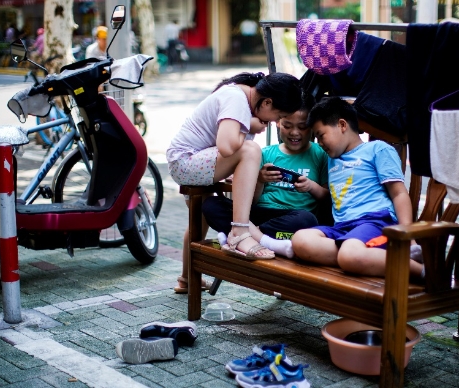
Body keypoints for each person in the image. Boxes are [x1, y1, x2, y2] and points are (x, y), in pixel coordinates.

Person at [167, 71, 302, 293]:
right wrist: (250, 126)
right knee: (251, 149)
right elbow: (228, 147)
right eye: (278, 114)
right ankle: (239, 232)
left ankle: (187, 279)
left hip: (189, 160)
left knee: (198, 218)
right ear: (267, 102)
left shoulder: (242, 99)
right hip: (186, 161)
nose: (276, 121)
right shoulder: (237, 98)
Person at [291, 97, 424, 279]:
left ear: (342, 125)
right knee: (301, 240)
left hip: (376, 223)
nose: (320, 143)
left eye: (321, 135)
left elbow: (399, 193)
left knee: (350, 254)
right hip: (343, 228)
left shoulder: (377, 149)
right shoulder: (332, 159)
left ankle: (422, 271)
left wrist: (408, 236)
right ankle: (361, 259)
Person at [201, 92, 330, 259]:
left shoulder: (319, 155)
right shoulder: (265, 154)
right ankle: (257, 238)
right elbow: (250, 201)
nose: (294, 132)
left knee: (307, 220)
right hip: (257, 214)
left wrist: (311, 186)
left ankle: (243, 236)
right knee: (211, 204)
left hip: (290, 218)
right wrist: (260, 180)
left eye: (302, 126)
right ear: (278, 122)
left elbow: (327, 198)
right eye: (288, 126)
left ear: (311, 126)